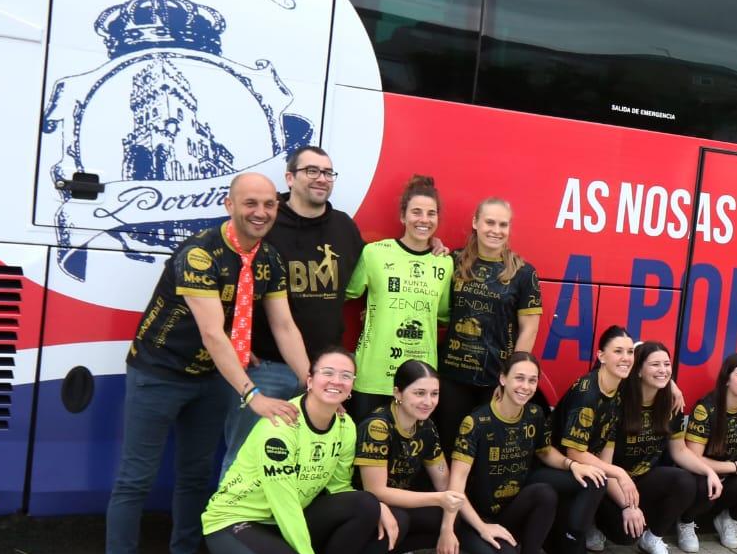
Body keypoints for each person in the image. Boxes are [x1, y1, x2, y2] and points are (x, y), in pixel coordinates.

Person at [103, 172, 311, 554]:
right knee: (135, 480)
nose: (260, 212)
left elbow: (283, 326)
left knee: (196, 477)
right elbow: (214, 333)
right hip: (158, 374)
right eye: (250, 203)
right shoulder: (199, 253)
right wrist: (251, 393)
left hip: (210, 379)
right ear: (229, 204)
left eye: (269, 205)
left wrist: (311, 382)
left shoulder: (269, 258)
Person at [202, 349, 388, 554]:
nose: (336, 380)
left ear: (352, 386)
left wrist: (380, 507)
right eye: (327, 372)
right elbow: (285, 504)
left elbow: (340, 489)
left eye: (345, 375)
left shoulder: (345, 426)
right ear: (309, 380)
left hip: (281, 522)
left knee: (365, 505)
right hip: (234, 522)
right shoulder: (281, 426)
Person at [223, 145, 364, 466]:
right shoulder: (265, 223)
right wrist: (235, 336)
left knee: (307, 463)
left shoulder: (344, 227)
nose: (321, 179)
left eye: (327, 172)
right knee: (244, 458)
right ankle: (230, 518)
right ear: (290, 177)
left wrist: (433, 246)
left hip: (323, 373)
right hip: (266, 369)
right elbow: (226, 280)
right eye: (311, 171)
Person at [350, 360, 473, 554]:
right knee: (405, 517)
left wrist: (450, 528)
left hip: (397, 505)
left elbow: (444, 482)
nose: (428, 401)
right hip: (361, 508)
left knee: (448, 518)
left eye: (434, 394)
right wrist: (439, 499)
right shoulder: (378, 426)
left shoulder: (425, 425)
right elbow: (376, 491)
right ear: (397, 393)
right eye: (419, 393)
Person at [446, 352, 562, 554]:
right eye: (519, 378)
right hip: (474, 516)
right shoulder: (475, 421)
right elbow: (455, 487)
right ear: (502, 378)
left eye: (532, 380)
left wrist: (573, 464)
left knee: (545, 492)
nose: (526, 386)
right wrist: (481, 527)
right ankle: (469, 550)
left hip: (508, 510)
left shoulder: (534, 414)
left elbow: (546, 453)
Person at [436, 198, 543, 449]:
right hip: (453, 376)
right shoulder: (454, 262)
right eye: (490, 222)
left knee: (486, 447)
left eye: (503, 224)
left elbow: (530, 328)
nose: (496, 230)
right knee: (450, 442)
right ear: (475, 223)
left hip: (494, 379)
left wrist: (512, 378)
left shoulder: (524, 273)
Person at [345, 175, 452, 422]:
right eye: (416, 212)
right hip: (373, 376)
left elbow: (443, 314)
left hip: (420, 382)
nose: (424, 220)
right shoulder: (374, 253)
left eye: (431, 213)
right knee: (365, 452)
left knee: (407, 456)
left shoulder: (444, 263)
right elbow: (347, 294)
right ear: (403, 216)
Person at [539, 325, 632, 554]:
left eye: (629, 352)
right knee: (596, 480)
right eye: (618, 351)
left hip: (576, 474)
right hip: (548, 467)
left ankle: (566, 548)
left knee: (628, 532)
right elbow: (574, 453)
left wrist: (628, 504)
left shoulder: (618, 391)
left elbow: (605, 452)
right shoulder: (587, 391)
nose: (626, 357)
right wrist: (619, 474)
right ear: (601, 356)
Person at [595, 341, 693, 554]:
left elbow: (679, 452)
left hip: (642, 480)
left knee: (686, 481)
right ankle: (595, 524)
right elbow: (604, 467)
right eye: (655, 365)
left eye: (667, 365)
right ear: (637, 370)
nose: (663, 370)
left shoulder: (670, 403)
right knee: (624, 536)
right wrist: (629, 507)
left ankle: (653, 538)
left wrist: (710, 472)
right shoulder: (617, 403)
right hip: (612, 483)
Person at [669, 354, 737, 551]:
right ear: (727, 379)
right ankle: (686, 521)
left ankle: (729, 519)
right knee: (705, 487)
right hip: (701, 474)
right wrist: (732, 466)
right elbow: (693, 457)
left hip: (731, 477)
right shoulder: (706, 408)